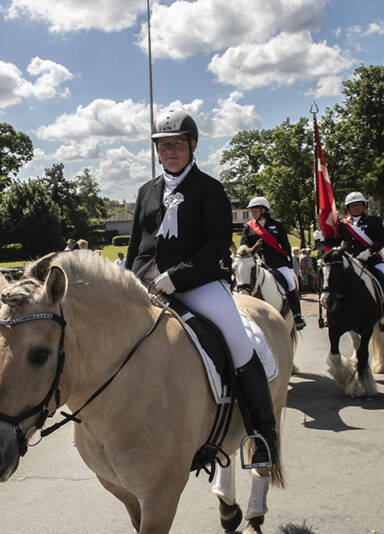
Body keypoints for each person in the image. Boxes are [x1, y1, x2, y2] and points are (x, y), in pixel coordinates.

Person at [125, 108, 277, 468]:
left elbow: (215, 245)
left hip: (198, 283)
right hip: (148, 283)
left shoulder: (210, 189)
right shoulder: (147, 191)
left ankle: (263, 435)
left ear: (193, 145)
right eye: (163, 146)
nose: (169, 152)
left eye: (177, 145)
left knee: (239, 342)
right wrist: (130, 279)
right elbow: (136, 244)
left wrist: (177, 275)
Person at [326, 192, 384, 329]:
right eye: (353, 206)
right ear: (348, 208)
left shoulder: (374, 221)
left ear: (364, 206)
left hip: (373, 260)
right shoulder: (343, 225)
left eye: (359, 205)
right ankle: (333, 313)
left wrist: (369, 252)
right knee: (333, 280)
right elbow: (337, 241)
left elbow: (381, 241)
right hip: (353, 262)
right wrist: (323, 239)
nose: (356, 208)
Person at [241, 196, 306, 330]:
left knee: (290, 282)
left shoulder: (277, 225)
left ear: (263, 210)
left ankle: (297, 315)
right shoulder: (248, 227)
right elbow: (244, 244)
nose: (252, 212)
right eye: (251, 209)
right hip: (257, 262)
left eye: (255, 209)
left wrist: (288, 264)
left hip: (277, 262)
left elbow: (286, 245)